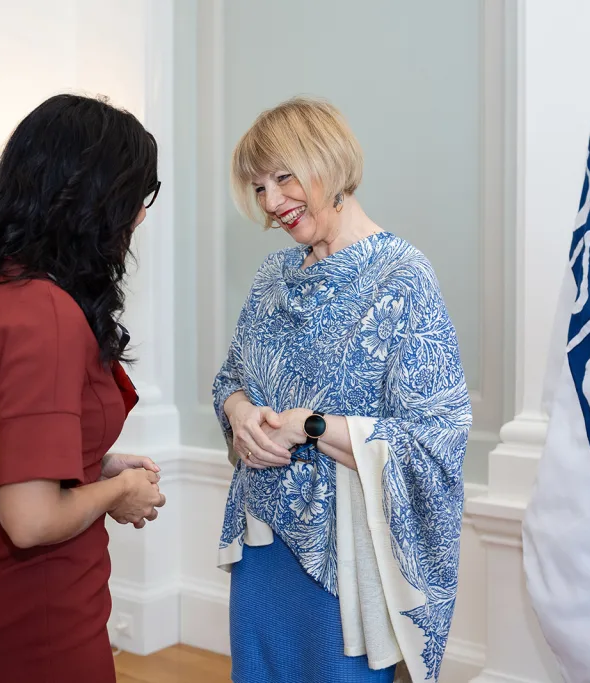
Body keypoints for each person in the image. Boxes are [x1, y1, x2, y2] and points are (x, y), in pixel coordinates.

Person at [212, 96, 472, 683]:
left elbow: (438, 439)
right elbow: (229, 378)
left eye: (283, 177)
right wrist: (242, 411)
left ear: (329, 162)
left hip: (347, 557)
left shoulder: (403, 278)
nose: (272, 201)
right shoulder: (271, 276)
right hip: (262, 542)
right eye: (258, 187)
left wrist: (310, 425)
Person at [0, 94, 167, 683]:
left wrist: (91, 463)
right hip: (36, 628)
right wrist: (122, 491)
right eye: (136, 197)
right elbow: (30, 521)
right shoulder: (50, 316)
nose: (138, 217)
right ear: (96, 199)